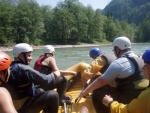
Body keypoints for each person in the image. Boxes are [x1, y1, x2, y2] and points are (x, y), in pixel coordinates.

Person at [81, 36, 149, 113]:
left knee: (97, 91)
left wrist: (86, 91)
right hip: (140, 96)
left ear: (117, 48)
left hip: (128, 99)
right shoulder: (139, 58)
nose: (114, 52)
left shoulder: (119, 62)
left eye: (114, 50)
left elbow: (100, 81)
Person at [2, 43, 61, 113]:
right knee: (53, 95)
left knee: (40, 90)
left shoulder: (10, 66)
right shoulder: (23, 69)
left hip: (16, 103)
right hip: (21, 108)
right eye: (29, 55)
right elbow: (45, 80)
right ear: (21, 55)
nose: (31, 58)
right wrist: (55, 74)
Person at [103, 48, 150, 113]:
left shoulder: (147, 95)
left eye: (146, 65)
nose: (143, 68)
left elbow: (127, 111)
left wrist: (110, 103)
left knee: (97, 93)